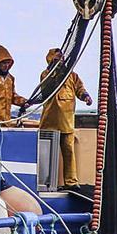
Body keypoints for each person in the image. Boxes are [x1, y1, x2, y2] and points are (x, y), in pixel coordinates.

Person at [39, 47, 92, 188]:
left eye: (61, 59)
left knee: (69, 152)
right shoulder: (45, 75)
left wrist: (85, 96)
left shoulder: (73, 75)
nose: (60, 62)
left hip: (67, 122)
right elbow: (46, 89)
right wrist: (54, 72)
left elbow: (80, 88)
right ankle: (45, 182)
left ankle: (71, 182)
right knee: (46, 153)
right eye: (56, 59)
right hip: (49, 121)